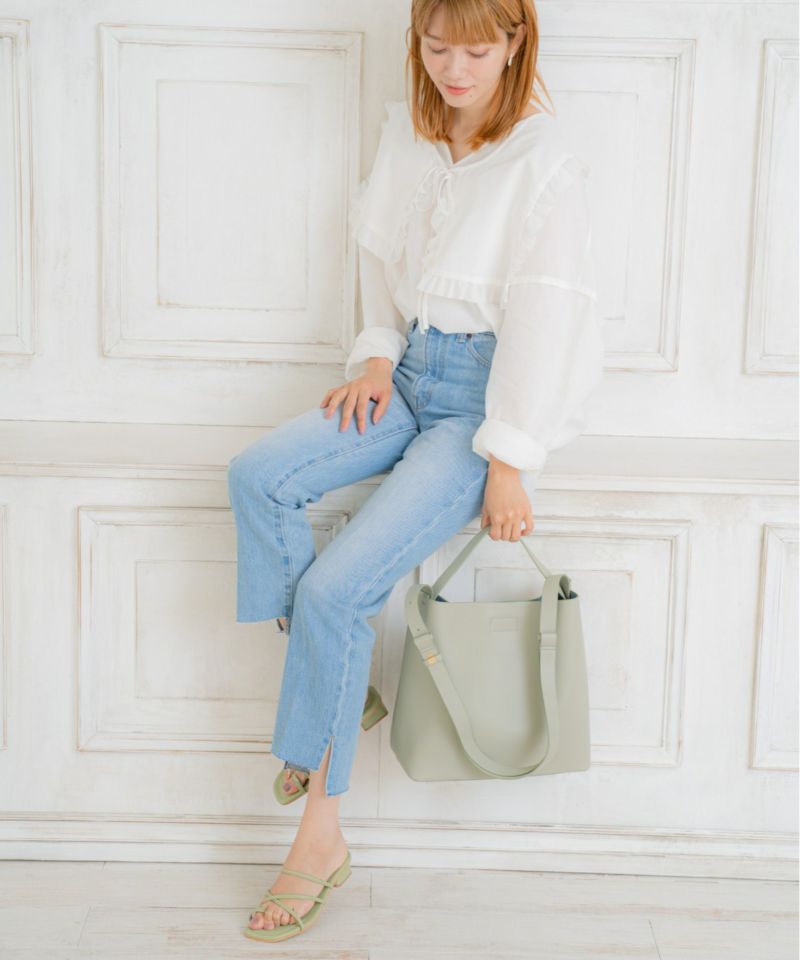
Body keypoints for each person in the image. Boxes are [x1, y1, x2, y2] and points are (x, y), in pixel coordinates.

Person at [228, 0, 605, 942]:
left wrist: (510, 455)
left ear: (516, 42)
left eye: (475, 50)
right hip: (404, 373)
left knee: (334, 592)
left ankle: (319, 841)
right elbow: (379, 257)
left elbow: (548, 316)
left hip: (478, 405)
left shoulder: (545, 159)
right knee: (258, 476)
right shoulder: (410, 129)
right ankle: (336, 685)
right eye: (436, 48)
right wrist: (373, 355)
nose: (453, 69)